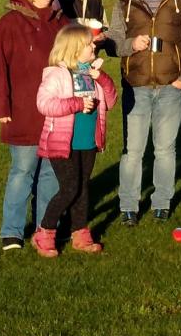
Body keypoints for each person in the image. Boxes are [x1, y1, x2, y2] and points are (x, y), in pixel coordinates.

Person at [108, 0, 181, 225]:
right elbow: (112, 42)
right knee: (133, 151)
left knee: (164, 149)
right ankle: (128, 206)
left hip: (171, 85)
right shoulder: (125, 1)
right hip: (135, 86)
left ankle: (162, 203)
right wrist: (130, 45)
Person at [0, 0, 69, 251]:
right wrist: (0, 105)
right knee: (22, 171)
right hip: (23, 110)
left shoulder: (61, 23)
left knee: (50, 174)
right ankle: (11, 231)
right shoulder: (10, 23)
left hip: (56, 114)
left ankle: (44, 229)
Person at [33, 24, 118, 257]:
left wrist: (101, 77)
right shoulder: (57, 74)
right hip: (62, 144)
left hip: (88, 142)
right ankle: (45, 231)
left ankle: (80, 234)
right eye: (89, 43)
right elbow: (44, 104)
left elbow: (111, 101)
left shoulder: (92, 74)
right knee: (69, 188)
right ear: (73, 49)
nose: (94, 46)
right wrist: (77, 104)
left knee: (82, 189)